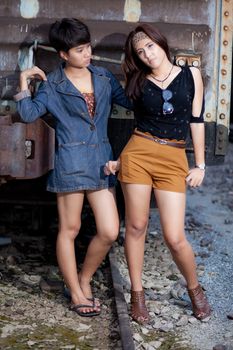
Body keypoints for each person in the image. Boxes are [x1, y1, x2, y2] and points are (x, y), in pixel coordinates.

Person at [14, 18, 131, 317]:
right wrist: (23, 82)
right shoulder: (53, 84)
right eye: (80, 49)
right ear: (64, 54)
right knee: (70, 228)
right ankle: (76, 293)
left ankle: (83, 279)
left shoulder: (103, 76)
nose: (88, 53)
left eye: (88, 47)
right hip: (69, 162)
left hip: (102, 162)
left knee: (108, 230)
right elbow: (28, 115)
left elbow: (130, 102)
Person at [105, 23, 211, 323]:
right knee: (136, 226)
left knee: (174, 236)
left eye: (150, 46)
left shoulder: (190, 75)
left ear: (161, 43)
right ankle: (137, 296)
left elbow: (196, 119)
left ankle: (195, 290)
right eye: (140, 51)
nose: (147, 54)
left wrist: (200, 165)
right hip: (138, 153)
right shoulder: (137, 81)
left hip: (173, 157)